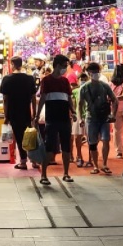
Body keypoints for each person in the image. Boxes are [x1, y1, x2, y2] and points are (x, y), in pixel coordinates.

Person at [35, 54, 75, 185]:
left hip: (65, 118)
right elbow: (42, 99)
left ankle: (66, 173)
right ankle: (44, 175)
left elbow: (69, 98)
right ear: (57, 66)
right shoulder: (46, 80)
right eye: (64, 66)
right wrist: (36, 116)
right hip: (51, 119)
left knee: (66, 146)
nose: (65, 69)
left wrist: (73, 111)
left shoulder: (65, 81)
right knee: (49, 147)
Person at [79, 62, 116, 175]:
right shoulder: (84, 87)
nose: (96, 74)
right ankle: (95, 165)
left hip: (104, 117)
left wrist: (113, 114)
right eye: (93, 72)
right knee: (92, 142)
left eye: (97, 72)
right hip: (91, 118)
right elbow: (80, 104)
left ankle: (104, 164)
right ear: (89, 73)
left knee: (106, 140)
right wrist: (81, 118)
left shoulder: (104, 86)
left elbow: (114, 99)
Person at [0, 56, 38, 170]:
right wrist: (34, 112)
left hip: (13, 112)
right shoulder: (29, 78)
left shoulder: (7, 79)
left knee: (19, 137)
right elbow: (33, 97)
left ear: (12, 64)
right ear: (21, 64)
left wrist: (6, 116)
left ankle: (23, 161)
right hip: (26, 111)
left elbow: (5, 99)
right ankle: (34, 160)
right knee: (30, 136)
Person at [111, 64, 123, 159]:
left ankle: (120, 151)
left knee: (118, 131)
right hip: (122, 108)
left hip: (118, 109)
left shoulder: (112, 83)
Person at [71, 74, 88, 168]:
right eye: (82, 79)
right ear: (78, 80)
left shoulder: (90, 89)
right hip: (78, 115)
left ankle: (91, 159)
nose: (83, 81)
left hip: (89, 115)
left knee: (91, 138)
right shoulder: (75, 91)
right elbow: (73, 103)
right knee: (78, 136)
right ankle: (79, 156)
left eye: (85, 79)